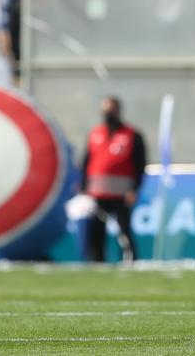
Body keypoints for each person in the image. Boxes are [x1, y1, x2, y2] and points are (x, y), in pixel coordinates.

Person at [80, 96, 146, 263]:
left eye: (111, 108)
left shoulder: (131, 135)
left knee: (123, 230)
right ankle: (97, 261)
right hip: (97, 193)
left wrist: (135, 189)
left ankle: (130, 260)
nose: (108, 112)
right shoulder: (95, 133)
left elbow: (140, 164)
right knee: (96, 231)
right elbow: (86, 162)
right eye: (105, 109)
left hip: (121, 194)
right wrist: (83, 188)